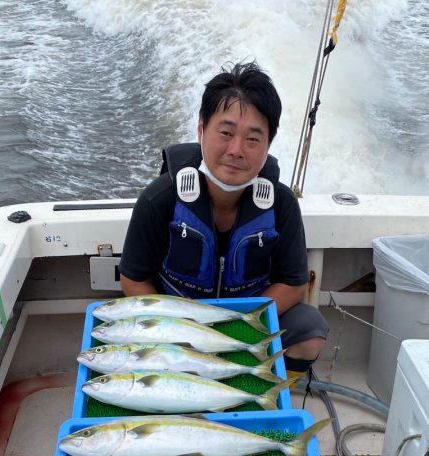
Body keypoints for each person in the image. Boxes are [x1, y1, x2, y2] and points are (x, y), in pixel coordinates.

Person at [119, 61, 328, 377]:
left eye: (253, 139)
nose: (236, 150)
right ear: (201, 129)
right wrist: (182, 332)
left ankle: (268, 388)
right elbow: (133, 279)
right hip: (177, 324)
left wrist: (237, 327)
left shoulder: (281, 204)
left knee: (309, 330)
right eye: (226, 133)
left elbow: (293, 283)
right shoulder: (159, 199)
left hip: (248, 319)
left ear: (268, 144)